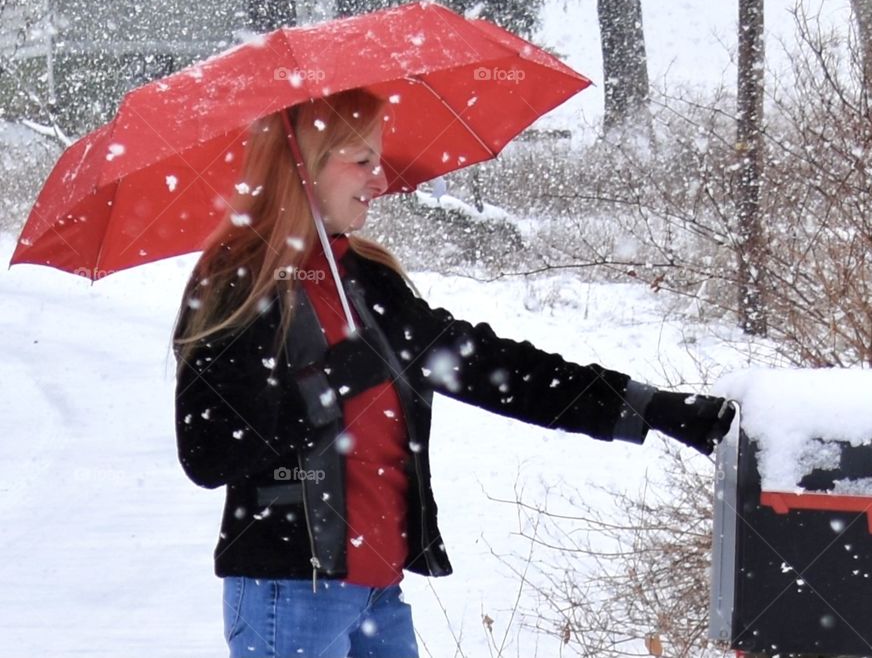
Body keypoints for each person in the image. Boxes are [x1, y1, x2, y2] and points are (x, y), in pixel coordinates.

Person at [172, 88, 734, 658]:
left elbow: (492, 368)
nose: (380, 180)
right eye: (361, 160)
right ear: (304, 163)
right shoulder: (239, 285)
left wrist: (646, 408)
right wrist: (331, 382)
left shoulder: (367, 280)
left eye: (379, 160)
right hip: (291, 594)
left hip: (378, 593)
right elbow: (210, 452)